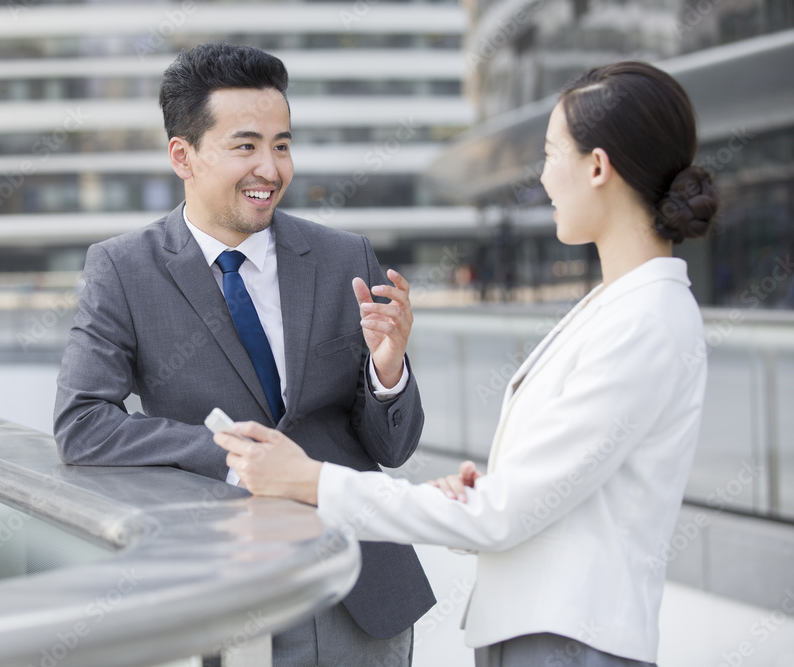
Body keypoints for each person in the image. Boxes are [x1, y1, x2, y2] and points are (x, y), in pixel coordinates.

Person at [215, 61, 719, 666]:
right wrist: (489, 493)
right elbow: (541, 495)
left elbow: (502, 519)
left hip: (572, 641)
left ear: (597, 166)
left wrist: (309, 480)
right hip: (547, 634)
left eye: (552, 152)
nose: (545, 176)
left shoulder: (646, 318)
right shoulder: (622, 306)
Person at [53, 42, 434, 665]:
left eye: (281, 145)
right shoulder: (122, 269)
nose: (271, 168)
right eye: (246, 145)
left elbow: (392, 449)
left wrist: (388, 372)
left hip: (362, 589)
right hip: (225, 592)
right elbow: (82, 424)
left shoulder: (346, 258)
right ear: (184, 155)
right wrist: (234, 457)